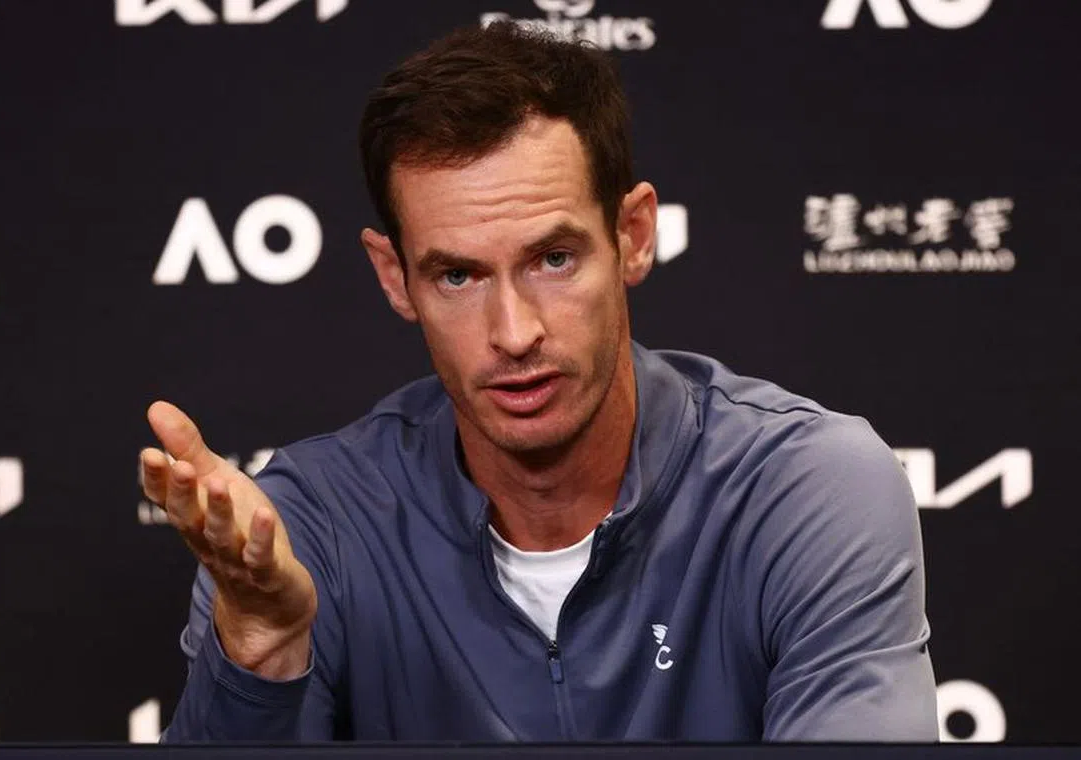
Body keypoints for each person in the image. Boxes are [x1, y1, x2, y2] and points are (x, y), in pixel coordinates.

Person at [142, 22, 938, 743]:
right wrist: (261, 651)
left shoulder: (804, 487)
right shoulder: (311, 525)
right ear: (394, 279)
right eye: (457, 275)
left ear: (632, 236)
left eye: (553, 259)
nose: (514, 332)